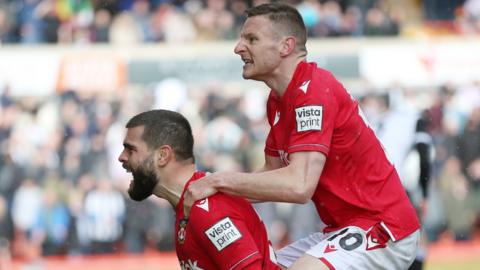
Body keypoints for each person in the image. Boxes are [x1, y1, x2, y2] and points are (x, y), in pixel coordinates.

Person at [184, 2, 420, 269]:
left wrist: (219, 181)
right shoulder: (278, 99)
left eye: (251, 39)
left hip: (384, 227)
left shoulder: (314, 90)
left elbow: (299, 185)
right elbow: (271, 174)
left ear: (286, 46)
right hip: (345, 228)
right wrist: (207, 196)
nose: (238, 47)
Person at [118, 109, 280, 270]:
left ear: (162, 155)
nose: (121, 157)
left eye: (131, 150)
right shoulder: (188, 205)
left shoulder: (208, 210)